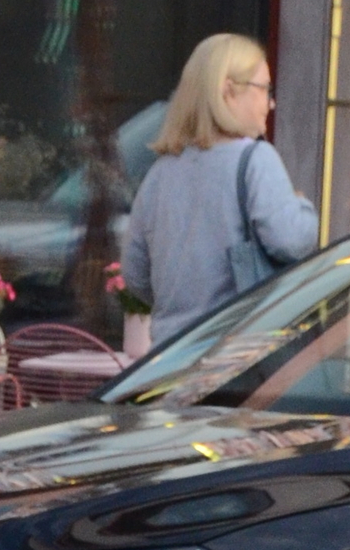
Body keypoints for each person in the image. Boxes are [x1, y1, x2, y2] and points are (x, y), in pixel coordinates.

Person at [120, 35, 318, 343]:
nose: (271, 102)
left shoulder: (160, 172)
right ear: (229, 91)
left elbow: (134, 272)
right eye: (265, 88)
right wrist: (302, 207)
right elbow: (291, 240)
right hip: (234, 356)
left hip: (168, 356)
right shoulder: (255, 159)